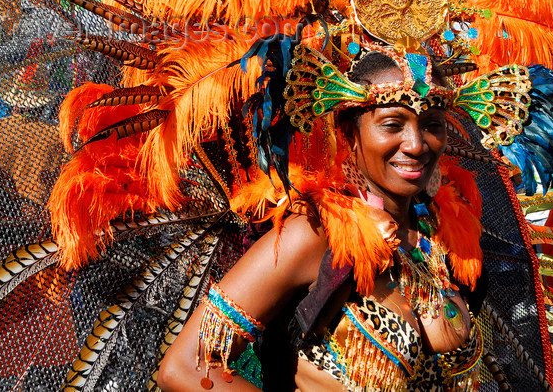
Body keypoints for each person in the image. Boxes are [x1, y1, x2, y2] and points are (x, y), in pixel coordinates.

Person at [156, 47, 486, 391]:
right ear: (348, 132)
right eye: (392, 125)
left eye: (433, 125)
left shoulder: (439, 239)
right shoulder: (314, 232)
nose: (416, 145)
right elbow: (184, 367)